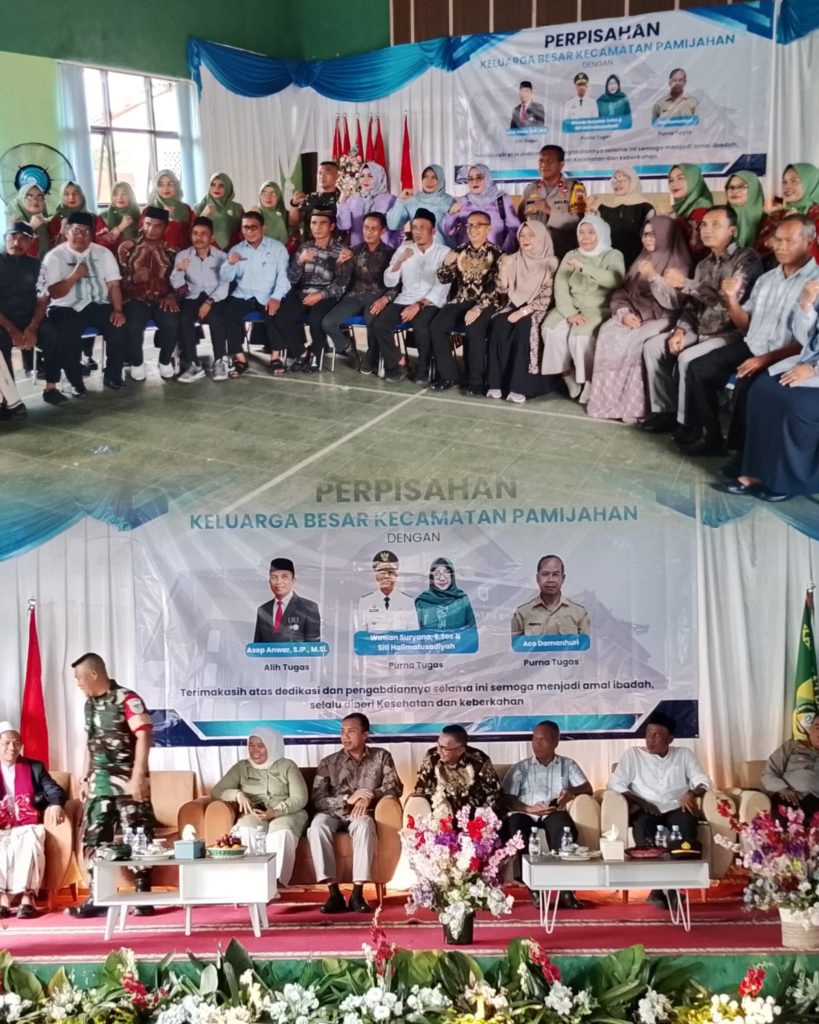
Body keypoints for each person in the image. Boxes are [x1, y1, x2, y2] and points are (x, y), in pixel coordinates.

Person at [683, 214, 819, 457]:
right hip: (753, 346)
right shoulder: (767, 279)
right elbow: (746, 327)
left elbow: (808, 342)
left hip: (787, 355)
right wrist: (731, 299)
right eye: (777, 240)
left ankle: (741, 454)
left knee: (747, 385)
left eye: (788, 241)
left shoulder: (814, 284)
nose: (780, 246)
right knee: (698, 369)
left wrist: (764, 359)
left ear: (809, 242)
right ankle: (711, 436)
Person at [639, 206, 762, 438]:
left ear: (732, 230)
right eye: (704, 225)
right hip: (700, 328)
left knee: (687, 358)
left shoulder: (746, 259)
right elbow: (693, 306)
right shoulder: (703, 264)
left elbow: (728, 302)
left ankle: (690, 424)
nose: (707, 230)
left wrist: (685, 283)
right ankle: (665, 411)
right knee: (653, 346)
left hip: (729, 333)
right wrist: (680, 330)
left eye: (716, 225)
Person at [67, 652, 156, 918]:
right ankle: (99, 896)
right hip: (100, 784)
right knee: (93, 838)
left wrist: (139, 774)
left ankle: (143, 896)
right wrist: (85, 778)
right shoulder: (89, 705)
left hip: (128, 782)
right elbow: (91, 744)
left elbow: (144, 735)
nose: (78, 683)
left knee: (138, 835)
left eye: (79, 677)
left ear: (94, 673)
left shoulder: (127, 699)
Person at [587, 216, 691, 423]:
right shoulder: (641, 260)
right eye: (644, 234)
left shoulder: (679, 262)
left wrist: (653, 277)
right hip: (635, 313)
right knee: (608, 331)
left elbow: (674, 303)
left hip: (664, 317)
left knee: (635, 341)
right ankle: (610, 402)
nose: (647, 238)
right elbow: (622, 292)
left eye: (653, 234)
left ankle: (635, 407)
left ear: (666, 235)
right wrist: (624, 313)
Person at [607, 711, 712, 906]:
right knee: (644, 827)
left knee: (687, 823)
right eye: (648, 733)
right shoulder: (634, 755)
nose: (650, 739)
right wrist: (641, 801)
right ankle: (656, 888)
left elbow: (703, 781)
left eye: (656, 735)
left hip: (675, 806)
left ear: (670, 739)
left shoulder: (684, 755)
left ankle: (676, 887)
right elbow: (615, 783)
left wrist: (692, 793)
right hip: (646, 807)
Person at [729, 278, 819, 499]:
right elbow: (805, 338)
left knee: (794, 406)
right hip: (808, 361)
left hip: (814, 369)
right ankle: (757, 470)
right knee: (762, 391)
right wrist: (806, 304)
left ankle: (786, 482)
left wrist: (814, 369)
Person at [307, 713, 402, 914]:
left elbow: (395, 787)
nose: (345, 736)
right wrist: (346, 799)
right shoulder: (329, 762)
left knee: (365, 826)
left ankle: (358, 893)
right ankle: (334, 893)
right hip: (333, 813)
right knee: (317, 827)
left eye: (351, 731)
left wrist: (371, 795)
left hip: (361, 814)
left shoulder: (381, 756)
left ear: (365, 734)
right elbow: (317, 799)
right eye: (342, 731)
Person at [503, 720, 594, 908]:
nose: (537, 744)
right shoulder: (521, 768)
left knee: (564, 827)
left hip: (553, 812)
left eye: (542, 740)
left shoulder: (567, 765)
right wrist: (528, 809)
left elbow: (588, 788)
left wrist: (571, 793)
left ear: (556, 742)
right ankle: (534, 889)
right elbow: (507, 798)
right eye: (534, 739)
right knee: (516, 827)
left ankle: (566, 891)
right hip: (526, 812)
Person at [39, 211, 129, 396]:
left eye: (86, 231)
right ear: (67, 231)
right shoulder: (54, 257)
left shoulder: (103, 253)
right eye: (76, 230)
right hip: (65, 306)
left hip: (98, 303)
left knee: (119, 327)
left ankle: (112, 375)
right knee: (66, 334)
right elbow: (54, 293)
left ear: (92, 235)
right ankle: (76, 382)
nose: (81, 235)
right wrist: (74, 276)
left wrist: (118, 310)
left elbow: (113, 285)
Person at [541, 214, 626, 404]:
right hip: (571, 305)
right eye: (581, 232)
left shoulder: (613, 255)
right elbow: (560, 287)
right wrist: (569, 312)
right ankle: (567, 375)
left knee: (581, 337)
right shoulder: (571, 255)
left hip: (599, 308)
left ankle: (589, 381)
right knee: (550, 330)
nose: (585, 237)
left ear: (600, 233)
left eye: (591, 233)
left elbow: (615, 280)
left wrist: (584, 267)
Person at [210, 727, 307, 886]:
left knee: (281, 833)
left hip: (285, 812)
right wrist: (237, 794)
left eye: (261, 746)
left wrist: (276, 811)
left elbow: (300, 798)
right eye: (251, 745)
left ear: (272, 746)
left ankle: (276, 884)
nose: (255, 750)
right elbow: (217, 791)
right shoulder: (242, 767)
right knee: (246, 829)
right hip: (255, 812)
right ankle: (251, 883)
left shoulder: (288, 766)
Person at [266, 210, 351, 374]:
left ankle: (316, 357)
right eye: (314, 223)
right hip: (304, 292)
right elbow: (292, 279)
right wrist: (300, 261)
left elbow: (342, 284)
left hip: (328, 295)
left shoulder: (341, 250)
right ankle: (302, 353)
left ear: (332, 226)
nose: (317, 227)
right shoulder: (304, 247)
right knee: (282, 317)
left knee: (315, 319)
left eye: (322, 223)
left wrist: (320, 295)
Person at [371, 209, 450, 384]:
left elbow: (443, 286)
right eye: (415, 227)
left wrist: (419, 305)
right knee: (380, 324)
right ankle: (395, 365)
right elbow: (389, 281)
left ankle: (423, 370)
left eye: (422, 227)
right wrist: (400, 261)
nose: (418, 231)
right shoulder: (404, 249)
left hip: (430, 301)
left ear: (433, 232)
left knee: (421, 326)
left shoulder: (443, 252)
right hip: (405, 298)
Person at [429, 210, 503, 394]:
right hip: (461, 299)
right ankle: (449, 375)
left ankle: (476, 381)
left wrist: (478, 308)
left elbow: (496, 286)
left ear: (488, 228)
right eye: (469, 225)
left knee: (474, 328)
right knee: (437, 326)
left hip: (486, 302)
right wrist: (446, 264)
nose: (472, 229)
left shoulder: (497, 253)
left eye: (478, 225)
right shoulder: (459, 251)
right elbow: (444, 279)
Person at [485, 221, 557, 404]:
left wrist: (523, 312)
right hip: (513, 304)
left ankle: (520, 387)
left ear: (540, 238)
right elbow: (502, 289)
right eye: (522, 235)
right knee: (499, 323)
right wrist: (503, 268)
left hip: (538, 308)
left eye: (530, 235)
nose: (525, 239)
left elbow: (546, 299)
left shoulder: (550, 263)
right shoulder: (512, 259)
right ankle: (497, 383)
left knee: (524, 326)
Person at [0, 722, 66, 918]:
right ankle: (3, 898)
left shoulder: (34, 767)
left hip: (27, 821)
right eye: (6, 743)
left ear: (21, 745)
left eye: (16, 743)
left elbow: (54, 790)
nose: (12, 748)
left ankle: (27, 897)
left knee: (31, 839)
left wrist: (56, 804)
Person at [320, 211, 396, 373]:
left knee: (373, 322)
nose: (368, 232)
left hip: (377, 297)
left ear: (382, 231)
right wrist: (340, 263)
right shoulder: (354, 251)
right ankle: (348, 349)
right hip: (354, 296)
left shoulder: (391, 254)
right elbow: (342, 279)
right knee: (328, 322)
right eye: (366, 227)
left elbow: (397, 283)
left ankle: (371, 356)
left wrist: (386, 299)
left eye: (373, 229)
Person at [220, 211, 290, 377]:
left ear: (262, 228)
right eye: (246, 227)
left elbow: (284, 277)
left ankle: (275, 357)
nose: (249, 231)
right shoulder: (236, 250)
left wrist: (276, 297)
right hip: (243, 294)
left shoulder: (277, 248)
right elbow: (226, 278)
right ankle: (240, 358)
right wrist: (230, 263)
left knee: (274, 314)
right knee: (227, 314)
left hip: (267, 294)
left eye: (254, 227)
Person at [118, 206, 180, 381]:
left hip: (162, 298)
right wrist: (133, 278)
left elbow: (180, 280)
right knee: (134, 325)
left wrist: (172, 295)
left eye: (157, 226)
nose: (151, 229)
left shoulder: (172, 251)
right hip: (135, 298)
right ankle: (137, 363)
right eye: (148, 224)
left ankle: (165, 361)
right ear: (142, 224)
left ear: (165, 228)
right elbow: (116, 280)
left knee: (172, 323)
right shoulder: (127, 248)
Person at [170, 216, 230, 383]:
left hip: (215, 296)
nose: (198, 237)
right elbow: (176, 284)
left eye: (204, 234)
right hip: (193, 295)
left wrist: (209, 302)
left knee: (216, 318)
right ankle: (194, 364)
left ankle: (219, 361)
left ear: (212, 237)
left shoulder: (221, 257)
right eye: (195, 233)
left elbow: (224, 285)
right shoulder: (183, 256)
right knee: (184, 318)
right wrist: (179, 270)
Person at [0, 222, 47, 421]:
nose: (17, 242)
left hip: (28, 320)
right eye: (13, 236)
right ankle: (8, 400)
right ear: (5, 238)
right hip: (3, 322)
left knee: (54, 332)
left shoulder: (37, 266)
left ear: (30, 243)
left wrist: (32, 328)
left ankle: (52, 386)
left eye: (24, 238)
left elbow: (42, 300)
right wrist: (12, 330)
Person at [412, 725, 501, 820]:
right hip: (441, 815)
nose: (439, 751)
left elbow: (494, 794)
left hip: (474, 818)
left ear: (460, 750)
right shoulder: (431, 757)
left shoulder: (479, 760)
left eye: (444, 748)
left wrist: (481, 817)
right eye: (438, 745)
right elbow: (421, 790)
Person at [520, 145, 586, 258]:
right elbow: (521, 221)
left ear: (561, 165)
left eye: (549, 161)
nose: (544, 164)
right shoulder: (530, 189)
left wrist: (549, 211)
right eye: (541, 161)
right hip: (534, 254)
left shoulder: (575, 187)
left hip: (564, 254)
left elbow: (578, 221)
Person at [442, 165, 520, 253]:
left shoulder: (501, 199)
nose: (474, 182)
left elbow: (514, 229)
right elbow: (448, 231)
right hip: (468, 257)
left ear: (487, 178)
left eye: (479, 177)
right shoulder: (463, 201)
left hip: (496, 256)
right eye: (470, 179)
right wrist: (451, 214)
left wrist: (503, 253)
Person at [586, 168, 655, 268]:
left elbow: (652, 240)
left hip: (637, 263)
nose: (617, 183)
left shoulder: (645, 208)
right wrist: (588, 209)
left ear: (632, 181)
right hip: (609, 264)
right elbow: (592, 234)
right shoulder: (604, 208)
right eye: (614, 179)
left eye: (622, 178)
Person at [511, 555, 590, 637]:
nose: (550, 580)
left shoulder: (579, 613)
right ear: (537, 578)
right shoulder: (522, 613)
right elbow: (515, 644)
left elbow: (585, 644)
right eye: (545, 574)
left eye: (555, 574)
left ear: (563, 578)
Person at [760, 715, 819, 821]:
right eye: (817, 727)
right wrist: (783, 789)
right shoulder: (791, 747)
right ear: (810, 729)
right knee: (783, 817)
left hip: (815, 799)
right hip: (787, 795)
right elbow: (769, 773)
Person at [756, 163, 819, 262]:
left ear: (811, 183)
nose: (787, 186)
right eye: (784, 182)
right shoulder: (776, 215)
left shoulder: (816, 215)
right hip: (774, 270)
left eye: (794, 181)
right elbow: (758, 250)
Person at [253, 557, 321, 643]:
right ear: (269, 581)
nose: (278, 582)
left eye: (284, 577)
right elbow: (257, 647)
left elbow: (313, 647)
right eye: (274, 577)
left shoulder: (309, 608)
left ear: (293, 580)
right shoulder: (263, 610)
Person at [386, 164, 455, 247]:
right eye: (426, 177)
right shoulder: (413, 201)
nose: (429, 181)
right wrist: (400, 200)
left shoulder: (449, 201)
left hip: (446, 251)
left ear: (441, 180)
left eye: (434, 177)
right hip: (421, 252)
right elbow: (393, 225)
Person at [336, 163, 396, 247]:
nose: (365, 180)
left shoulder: (391, 200)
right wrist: (342, 201)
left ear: (379, 177)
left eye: (370, 176)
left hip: (383, 250)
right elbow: (344, 226)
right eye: (362, 176)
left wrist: (391, 246)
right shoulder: (353, 199)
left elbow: (397, 230)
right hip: (357, 249)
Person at [356, 549, 416, 632]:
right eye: (382, 572)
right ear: (376, 576)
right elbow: (361, 634)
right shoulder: (366, 601)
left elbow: (413, 634)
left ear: (396, 576)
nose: (386, 576)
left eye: (390, 572)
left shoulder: (407, 601)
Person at [415, 557, 475, 630]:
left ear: (451, 576)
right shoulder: (422, 602)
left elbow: (472, 631)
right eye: (437, 574)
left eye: (446, 573)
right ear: (432, 577)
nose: (442, 578)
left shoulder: (462, 600)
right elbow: (415, 633)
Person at [289, 161, 341, 242]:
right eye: (319, 173)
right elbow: (293, 222)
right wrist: (294, 204)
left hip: (337, 245)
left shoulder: (342, 198)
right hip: (311, 245)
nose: (322, 176)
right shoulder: (311, 197)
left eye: (326, 173)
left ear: (337, 176)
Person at [668, 164, 713, 256]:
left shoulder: (702, 209)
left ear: (693, 180)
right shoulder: (681, 207)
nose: (674, 184)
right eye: (671, 180)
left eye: (680, 178)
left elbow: (697, 248)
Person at [143, 170, 193, 251]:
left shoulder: (185, 209)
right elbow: (145, 238)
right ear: (156, 187)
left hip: (183, 255)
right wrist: (165, 216)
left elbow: (193, 233)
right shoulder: (149, 210)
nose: (166, 188)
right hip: (158, 255)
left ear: (176, 186)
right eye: (161, 185)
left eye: (170, 184)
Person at [194, 173, 244, 251]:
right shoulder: (199, 208)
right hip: (207, 251)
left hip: (233, 251)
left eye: (221, 186)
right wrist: (203, 215)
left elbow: (245, 231)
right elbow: (192, 231)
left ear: (228, 188)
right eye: (213, 185)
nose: (216, 188)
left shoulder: (237, 208)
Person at [5, 183, 50, 257]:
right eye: (29, 197)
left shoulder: (45, 219)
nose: (35, 200)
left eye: (40, 197)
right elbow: (14, 252)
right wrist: (31, 227)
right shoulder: (15, 224)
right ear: (21, 200)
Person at [725, 172, 766, 250]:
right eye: (731, 187)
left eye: (741, 187)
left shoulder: (769, 219)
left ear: (754, 189)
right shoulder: (720, 217)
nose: (735, 191)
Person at [96, 182, 140, 252]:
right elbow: (99, 244)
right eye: (115, 194)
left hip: (135, 257)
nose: (119, 197)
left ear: (131, 197)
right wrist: (120, 228)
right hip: (109, 256)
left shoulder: (138, 217)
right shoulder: (103, 217)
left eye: (124, 194)